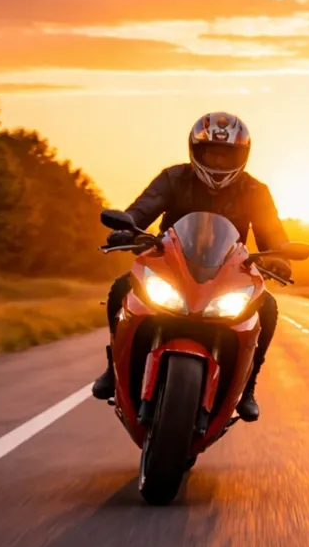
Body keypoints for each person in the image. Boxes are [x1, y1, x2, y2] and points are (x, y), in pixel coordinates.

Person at [90, 112, 289, 422]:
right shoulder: (174, 178)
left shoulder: (255, 191)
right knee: (120, 288)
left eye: (227, 155)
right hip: (169, 262)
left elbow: (272, 233)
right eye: (212, 153)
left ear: (242, 156)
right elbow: (142, 209)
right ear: (196, 151)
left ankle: (248, 386)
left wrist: (280, 257)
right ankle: (112, 368)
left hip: (229, 270)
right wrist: (128, 228)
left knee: (268, 307)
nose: (219, 161)